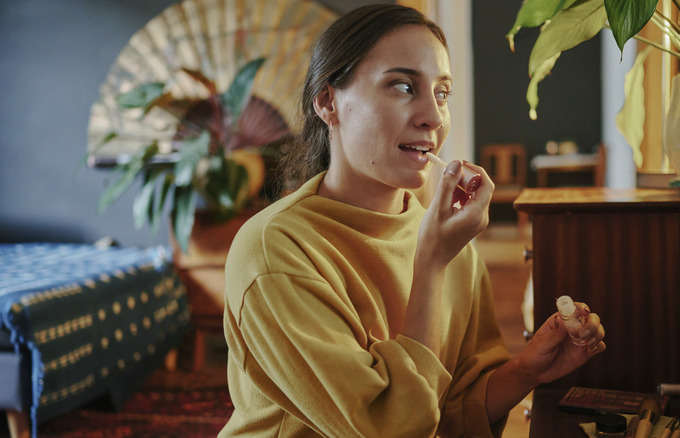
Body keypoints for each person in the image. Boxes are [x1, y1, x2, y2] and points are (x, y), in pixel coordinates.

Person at [219, 4, 605, 437]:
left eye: (442, 93)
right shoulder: (274, 252)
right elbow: (389, 428)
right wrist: (431, 264)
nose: (434, 117)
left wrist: (526, 371)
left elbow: (450, 408)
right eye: (402, 86)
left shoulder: (450, 243)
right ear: (329, 102)